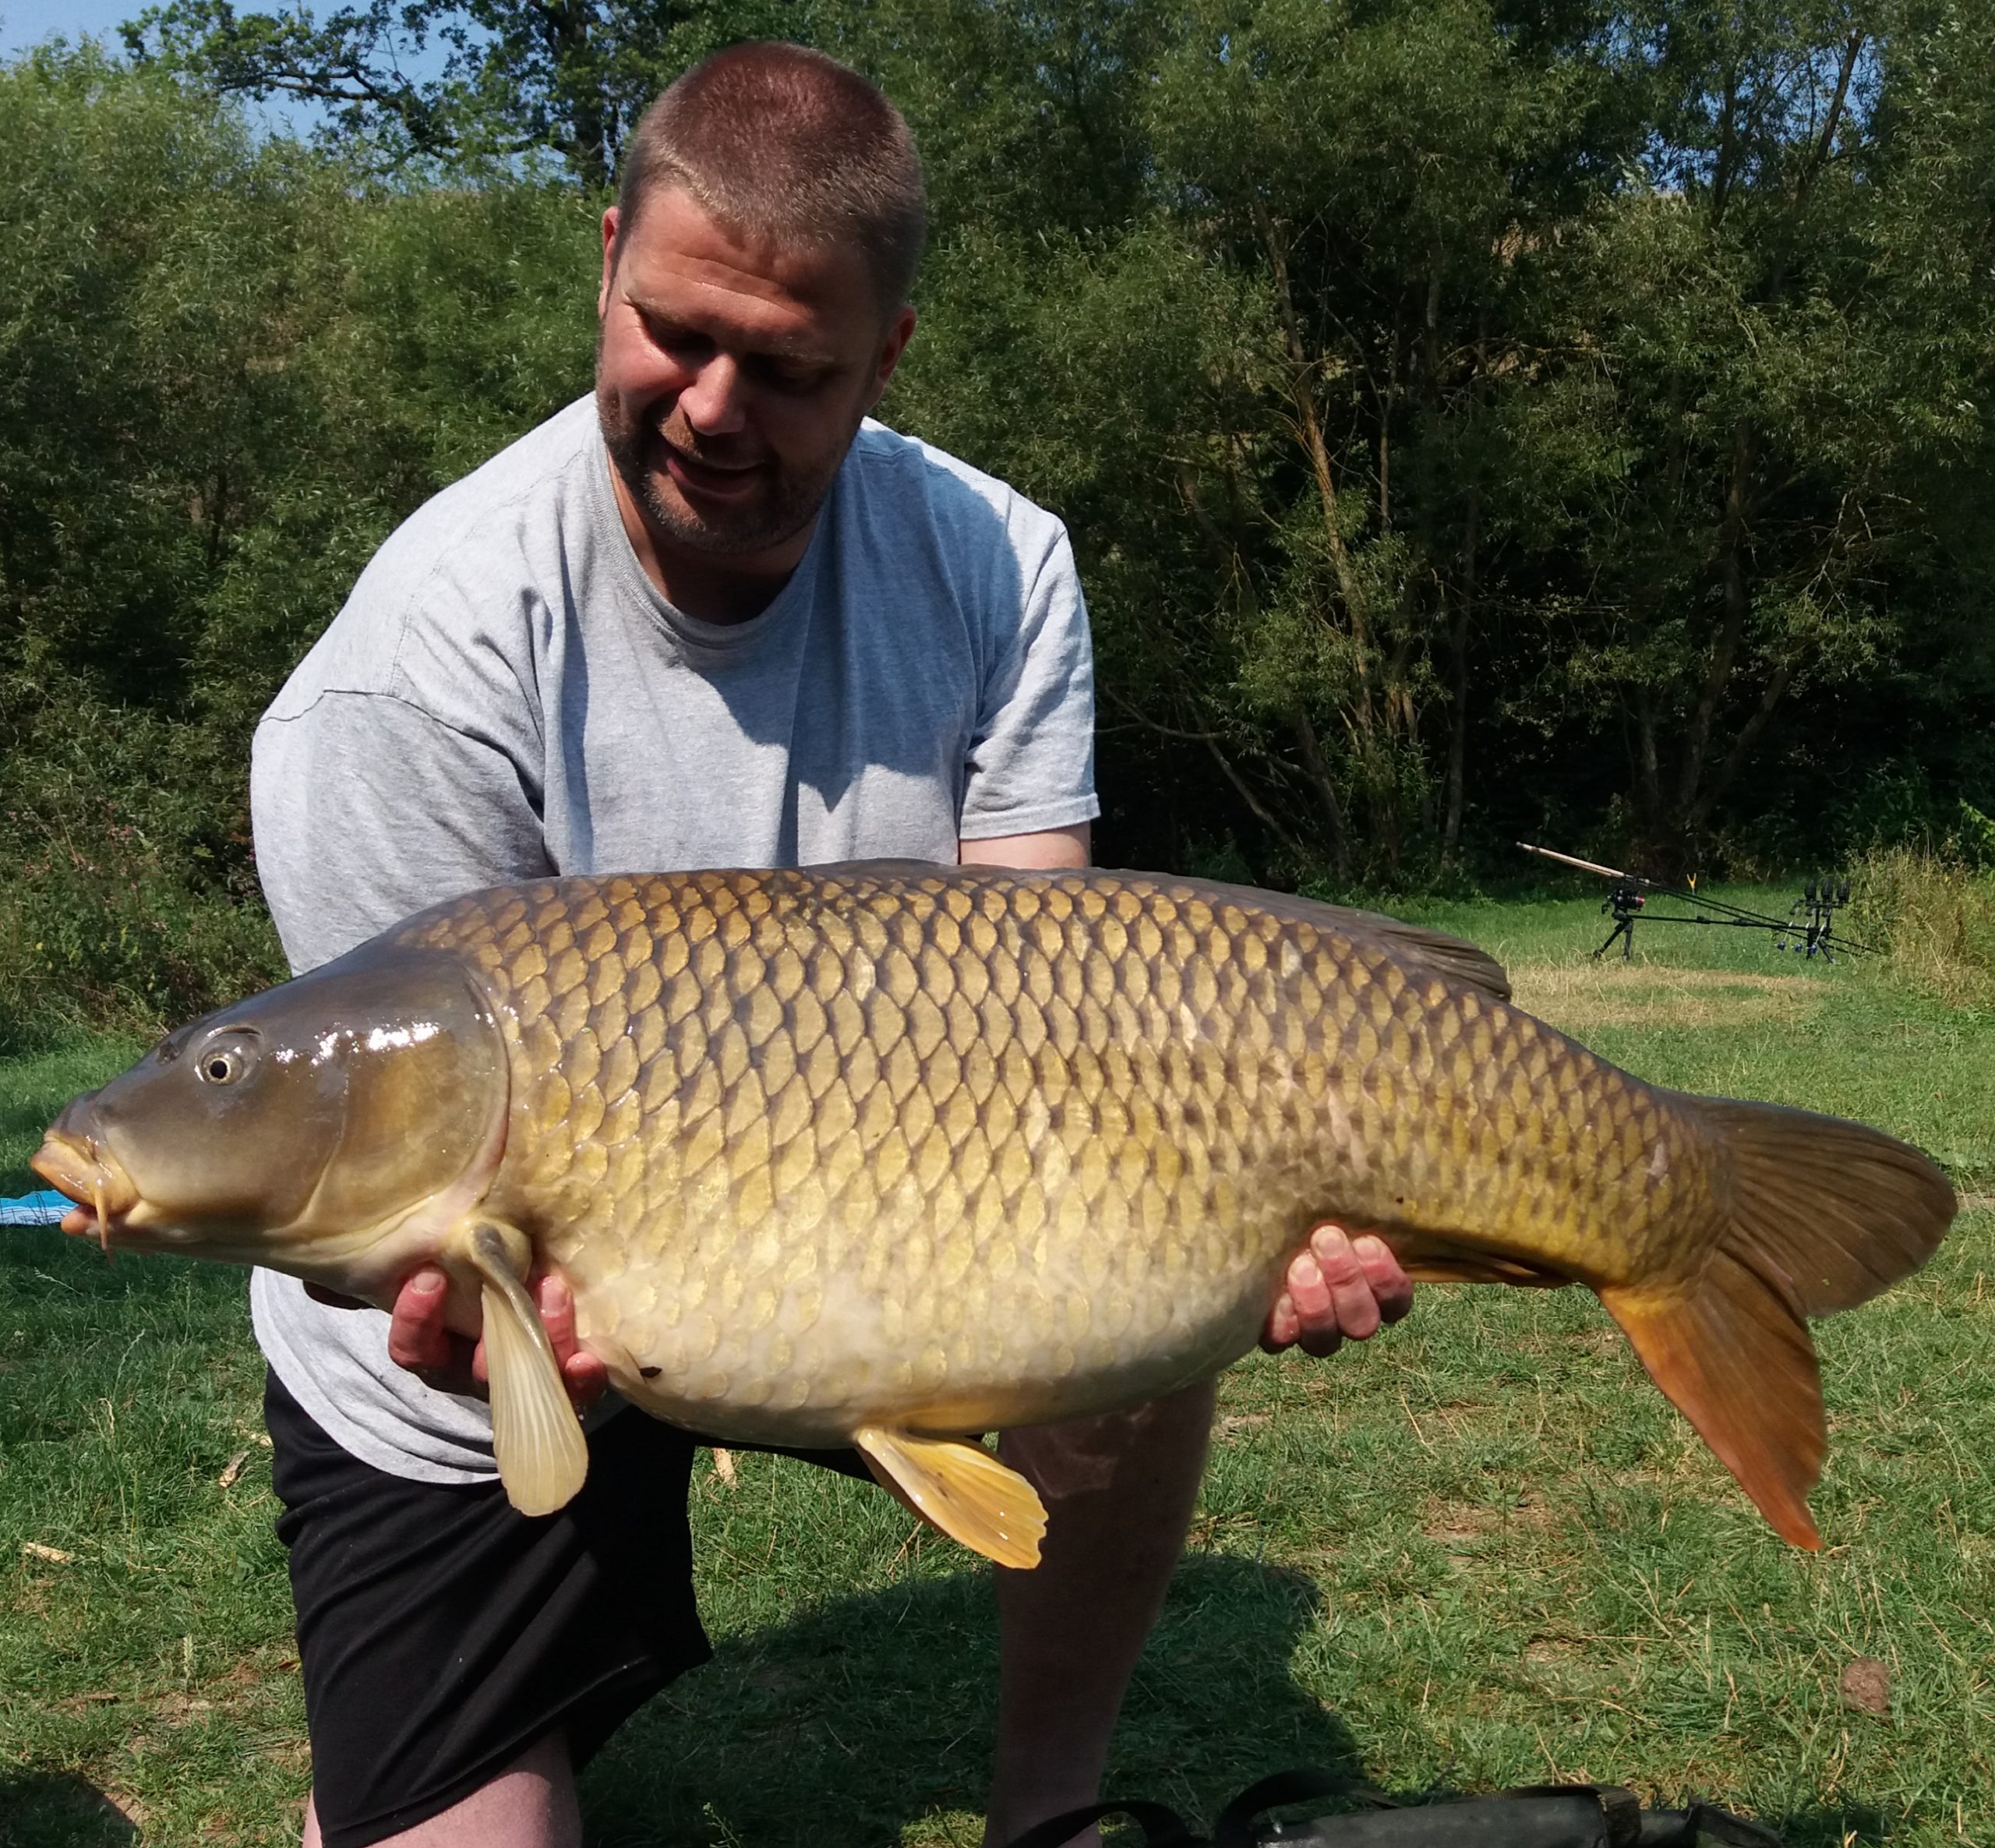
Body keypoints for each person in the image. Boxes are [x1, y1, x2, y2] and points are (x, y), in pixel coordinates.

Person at [249, 41, 1414, 1848]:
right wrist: (478, 1298)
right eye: (670, 332)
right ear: (610, 252)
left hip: (871, 1223)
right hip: (481, 1339)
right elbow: (379, 1170)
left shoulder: (998, 562)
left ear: (886, 359)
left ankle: (1050, 1807)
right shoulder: (418, 668)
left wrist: (1249, 1206)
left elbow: (1062, 1017)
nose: (713, 405)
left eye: (787, 369)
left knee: (1142, 1280)